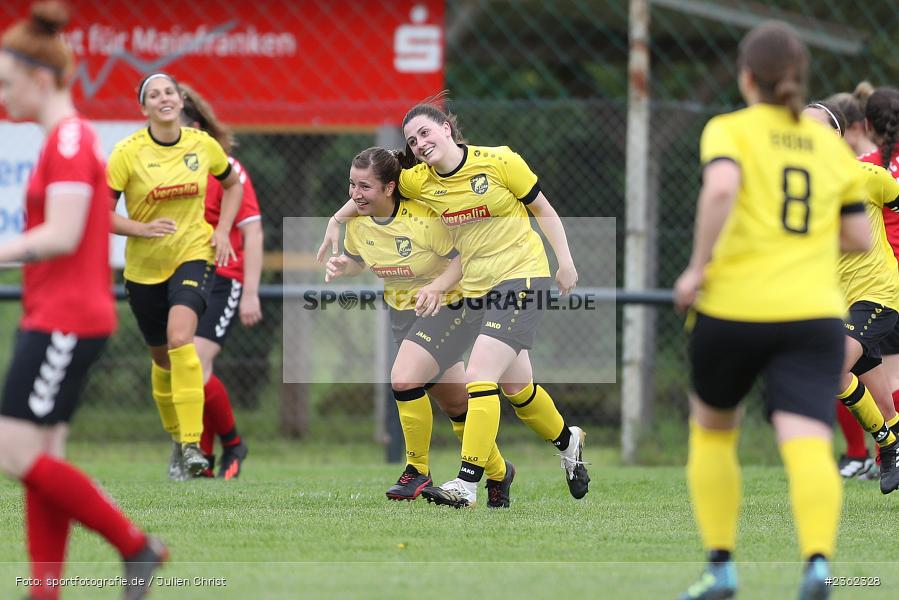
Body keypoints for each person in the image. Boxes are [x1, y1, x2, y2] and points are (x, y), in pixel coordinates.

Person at [672, 22, 870, 600]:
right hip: (812, 313)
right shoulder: (829, 151)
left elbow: (720, 191)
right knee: (806, 438)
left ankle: (721, 568)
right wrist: (801, 241)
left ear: (746, 76)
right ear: (798, 78)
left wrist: (697, 266)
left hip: (733, 305)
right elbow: (858, 235)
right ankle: (817, 565)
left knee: (713, 433)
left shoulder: (730, 129)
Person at [320, 96, 589, 509]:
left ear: (446, 128)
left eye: (425, 132)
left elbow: (543, 209)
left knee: (480, 376)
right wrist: (338, 221)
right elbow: (373, 186)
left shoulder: (499, 161)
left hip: (522, 275)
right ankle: (567, 440)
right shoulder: (419, 181)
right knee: (518, 389)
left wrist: (566, 261)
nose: (420, 143)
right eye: (412, 140)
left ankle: (466, 483)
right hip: (476, 287)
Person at [0, 3, 166, 599]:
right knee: (41, 460)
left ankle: (136, 546)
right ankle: (45, 592)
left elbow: (62, 236)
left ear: (39, 79)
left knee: (13, 451)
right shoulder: (60, 141)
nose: (2, 95)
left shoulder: (69, 142)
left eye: (6, 82)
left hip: (65, 319)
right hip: (55, 316)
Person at [325, 147, 515, 507]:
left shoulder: (423, 218)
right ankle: (500, 472)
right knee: (457, 405)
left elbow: (464, 260)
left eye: (365, 186)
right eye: (352, 184)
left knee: (404, 378)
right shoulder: (358, 223)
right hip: (405, 315)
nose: (355, 194)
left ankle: (416, 469)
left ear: (390, 187)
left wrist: (437, 287)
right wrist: (342, 267)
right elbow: (358, 261)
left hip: (450, 307)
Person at [107, 72, 243, 480]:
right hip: (144, 267)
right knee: (162, 358)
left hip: (193, 254)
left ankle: (191, 444)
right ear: (143, 107)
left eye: (169, 92)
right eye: (154, 94)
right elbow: (100, 211)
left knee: (182, 338)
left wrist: (221, 231)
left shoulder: (202, 145)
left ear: (181, 101)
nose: (164, 98)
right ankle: (176, 440)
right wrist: (141, 229)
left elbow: (232, 185)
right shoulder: (127, 152)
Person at [803, 101, 899, 495]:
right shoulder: (799, 192)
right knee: (882, 402)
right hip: (838, 304)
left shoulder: (868, 176)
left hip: (878, 294)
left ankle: (887, 447)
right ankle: (892, 440)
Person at [178, 83, 259, 479]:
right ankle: (204, 458)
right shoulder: (166, 171)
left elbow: (254, 232)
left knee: (195, 361)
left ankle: (229, 443)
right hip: (184, 274)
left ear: (195, 126)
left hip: (224, 278)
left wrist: (251, 293)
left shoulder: (227, 168)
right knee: (188, 365)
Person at [825, 87, 880, 477]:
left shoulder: (865, 173)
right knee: (848, 372)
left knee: (844, 368)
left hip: (874, 287)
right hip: (845, 289)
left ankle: (874, 452)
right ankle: (870, 453)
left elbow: (863, 239)